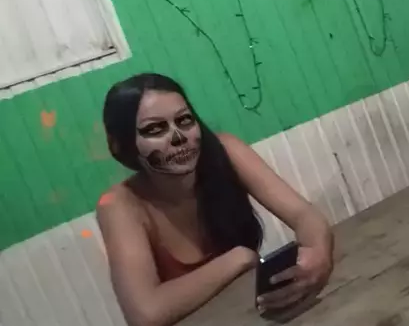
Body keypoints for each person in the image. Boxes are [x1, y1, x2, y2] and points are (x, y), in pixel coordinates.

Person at [96, 73, 334, 326]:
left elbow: (305, 215)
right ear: (121, 145)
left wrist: (318, 253)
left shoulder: (225, 151)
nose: (178, 137)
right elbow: (145, 314)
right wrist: (238, 258)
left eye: (185, 120)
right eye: (155, 129)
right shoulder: (120, 204)